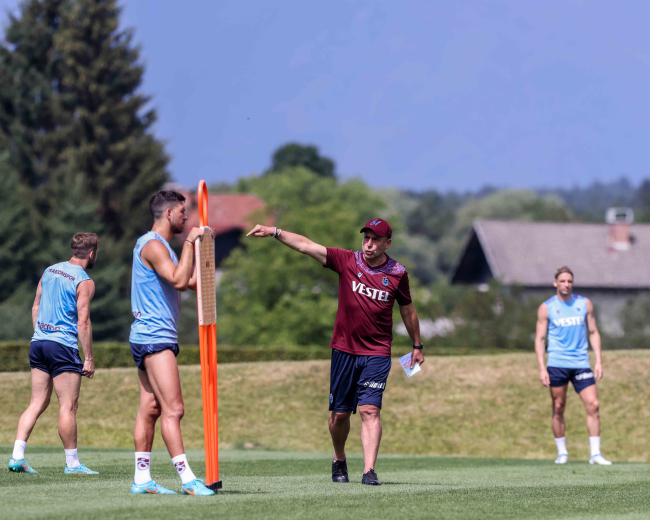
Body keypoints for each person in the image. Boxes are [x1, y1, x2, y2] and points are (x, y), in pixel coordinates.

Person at [246, 218, 424, 485]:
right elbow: (307, 246)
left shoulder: (398, 273)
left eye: (375, 240)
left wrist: (417, 345)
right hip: (344, 350)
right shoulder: (347, 261)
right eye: (366, 238)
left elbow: (407, 310)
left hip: (377, 352)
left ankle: (369, 471)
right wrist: (274, 232)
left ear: (387, 243)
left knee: (369, 410)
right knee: (339, 415)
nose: (369, 244)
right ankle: (339, 457)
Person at [129, 190, 216, 495]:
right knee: (174, 409)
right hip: (154, 337)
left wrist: (205, 254)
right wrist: (191, 242)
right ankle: (188, 480)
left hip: (149, 335)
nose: (186, 217)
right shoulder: (153, 245)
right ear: (168, 213)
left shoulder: (162, 247)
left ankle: (142, 479)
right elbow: (179, 281)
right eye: (182, 211)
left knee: (151, 408)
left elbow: (188, 281)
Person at [8, 233, 100, 475]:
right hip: (62, 347)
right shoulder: (85, 281)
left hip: (39, 342)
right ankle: (73, 464)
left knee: (37, 402)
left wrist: (41, 335)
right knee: (68, 406)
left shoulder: (49, 271)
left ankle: (17, 456)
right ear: (92, 253)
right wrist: (89, 358)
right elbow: (83, 322)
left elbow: (35, 306)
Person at [535, 266, 611, 465]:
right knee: (558, 407)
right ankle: (562, 453)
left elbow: (593, 332)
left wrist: (599, 361)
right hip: (557, 364)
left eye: (569, 281)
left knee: (593, 405)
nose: (566, 285)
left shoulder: (584, 303)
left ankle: (595, 454)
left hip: (581, 363)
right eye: (562, 281)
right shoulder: (546, 307)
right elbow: (540, 339)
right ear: (555, 283)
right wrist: (542, 368)